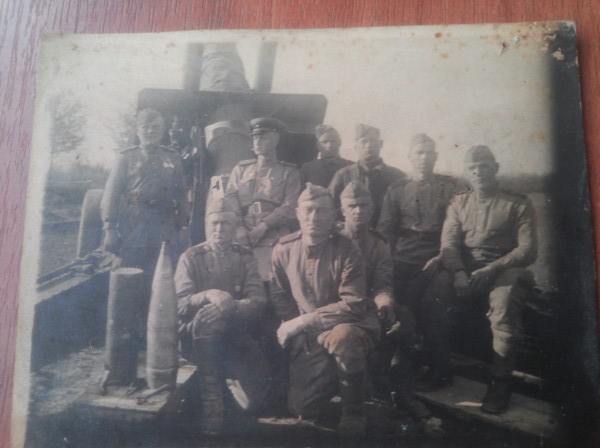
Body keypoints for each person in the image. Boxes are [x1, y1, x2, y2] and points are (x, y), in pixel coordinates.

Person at [421, 145, 537, 414]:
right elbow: (449, 244)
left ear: (495, 168)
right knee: (432, 297)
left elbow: (528, 250)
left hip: (505, 268)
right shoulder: (459, 203)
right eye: (472, 168)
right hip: (466, 267)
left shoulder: (518, 203)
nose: (478, 172)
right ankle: (441, 369)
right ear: (466, 173)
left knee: (504, 304)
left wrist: (492, 269)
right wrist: (459, 272)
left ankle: (500, 383)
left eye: (484, 166)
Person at [269, 184, 380, 438]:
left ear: (332, 216)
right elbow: (279, 294)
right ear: (298, 213)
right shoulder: (284, 249)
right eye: (308, 210)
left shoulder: (348, 250)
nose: (314, 217)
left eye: (322, 211)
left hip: (351, 323)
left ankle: (354, 410)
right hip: (311, 332)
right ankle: (352, 377)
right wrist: (295, 326)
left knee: (343, 338)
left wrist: (304, 322)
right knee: (302, 407)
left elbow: (353, 304)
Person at [339, 181, 443, 437]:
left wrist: (385, 303)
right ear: (342, 210)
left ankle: (395, 384)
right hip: (339, 312)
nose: (358, 211)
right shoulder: (333, 240)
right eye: (352, 206)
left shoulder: (379, 244)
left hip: (368, 308)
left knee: (403, 320)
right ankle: (382, 394)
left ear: (372, 208)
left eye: (364, 205)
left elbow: (383, 283)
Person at [174, 197, 270, 435]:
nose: (219, 228)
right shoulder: (190, 257)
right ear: (207, 225)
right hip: (195, 338)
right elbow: (179, 304)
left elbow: (258, 302)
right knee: (208, 321)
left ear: (235, 226)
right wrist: (208, 295)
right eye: (214, 223)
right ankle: (212, 404)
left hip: (234, 333)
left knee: (254, 403)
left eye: (225, 223)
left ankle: (228, 388)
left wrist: (228, 305)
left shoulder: (245, 256)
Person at [377, 134, 463, 387]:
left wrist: (442, 256)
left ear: (436, 157)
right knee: (391, 304)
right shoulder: (397, 189)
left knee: (434, 304)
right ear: (410, 157)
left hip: (438, 257)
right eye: (419, 153)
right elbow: (385, 231)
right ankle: (396, 364)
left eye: (429, 153)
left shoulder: (451, 188)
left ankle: (440, 369)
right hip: (403, 257)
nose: (424, 158)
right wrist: (386, 261)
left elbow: (457, 230)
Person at [101, 108, 189, 309]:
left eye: (155, 127)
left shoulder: (172, 158)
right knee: (129, 274)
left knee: (161, 276)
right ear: (138, 130)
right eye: (146, 127)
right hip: (133, 226)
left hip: (163, 226)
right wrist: (109, 228)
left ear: (163, 130)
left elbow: (181, 195)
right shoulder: (126, 158)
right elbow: (111, 195)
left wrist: (184, 226)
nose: (150, 131)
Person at [226, 117, 302, 281]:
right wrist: (239, 226)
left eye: (263, 137)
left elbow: (291, 206)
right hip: (242, 231)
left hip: (274, 232)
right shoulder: (240, 169)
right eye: (255, 138)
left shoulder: (289, 172)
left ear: (276, 140)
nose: (258, 142)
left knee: (272, 280)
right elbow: (230, 198)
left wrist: (265, 225)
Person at [329, 124, 406, 227]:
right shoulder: (343, 175)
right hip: (352, 234)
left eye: (373, 140)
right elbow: (329, 207)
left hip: (386, 234)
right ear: (356, 147)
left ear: (381, 144)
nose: (368, 145)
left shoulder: (397, 176)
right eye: (364, 141)